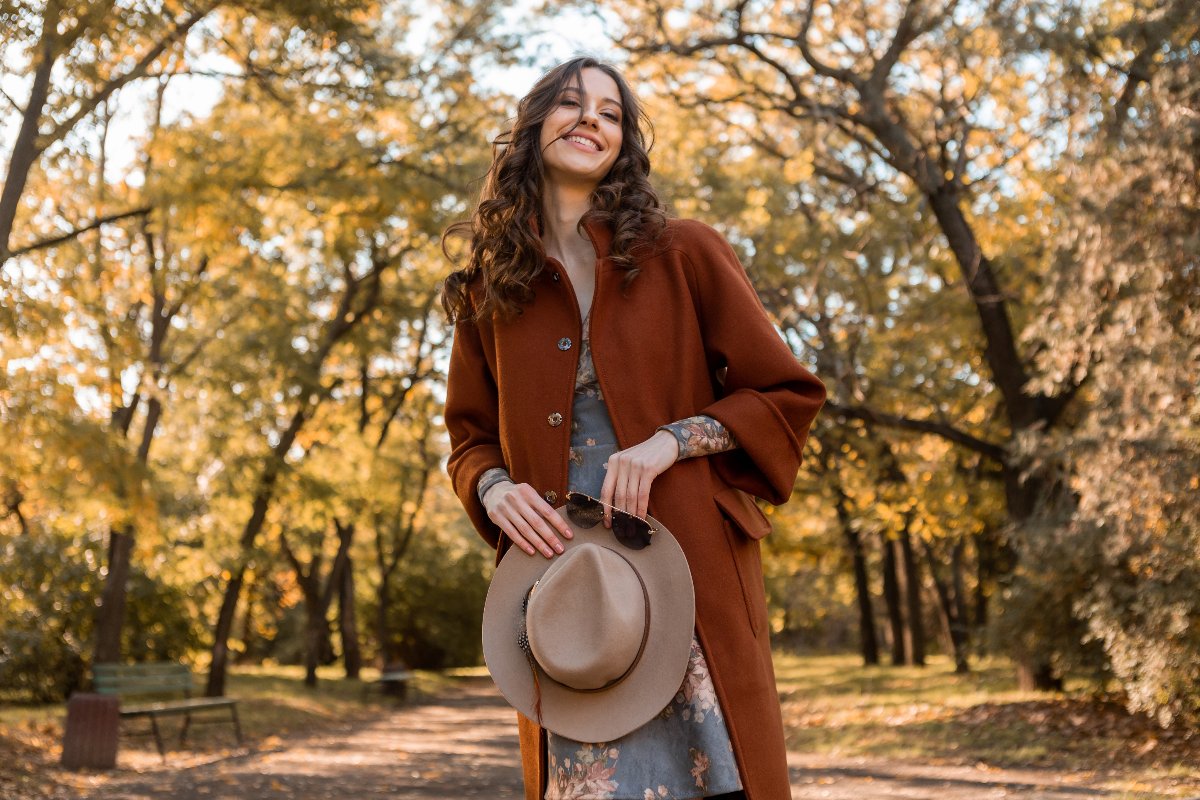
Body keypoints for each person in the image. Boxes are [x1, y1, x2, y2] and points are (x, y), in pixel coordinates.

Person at [441, 55, 825, 800]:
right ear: (532, 126)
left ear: (623, 143)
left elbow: (784, 391)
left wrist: (670, 441)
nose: (592, 119)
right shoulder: (488, 290)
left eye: (611, 113)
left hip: (687, 575)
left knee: (722, 780)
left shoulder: (684, 251)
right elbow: (467, 438)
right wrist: (490, 489)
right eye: (572, 104)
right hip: (566, 590)